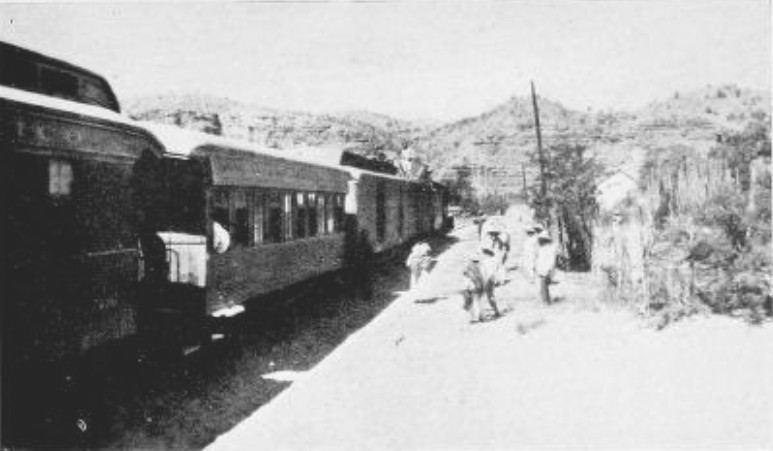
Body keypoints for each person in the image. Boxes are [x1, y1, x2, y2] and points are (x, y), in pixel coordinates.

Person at [461, 253, 500, 322]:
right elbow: (484, 276)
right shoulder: (481, 266)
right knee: (478, 302)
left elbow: (466, 278)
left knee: (472, 303)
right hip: (479, 286)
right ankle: (481, 316)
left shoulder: (467, 268)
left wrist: (466, 288)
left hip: (471, 287)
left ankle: (473, 318)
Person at [535, 229, 557, 305]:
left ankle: (546, 301)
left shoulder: (550, 248)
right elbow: (539, 259)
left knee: (544, 284)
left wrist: (549, 269)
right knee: (542, 285)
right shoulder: (542, 248)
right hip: (541, 268)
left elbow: (551, 260)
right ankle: (545, 300)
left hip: (546, 269)